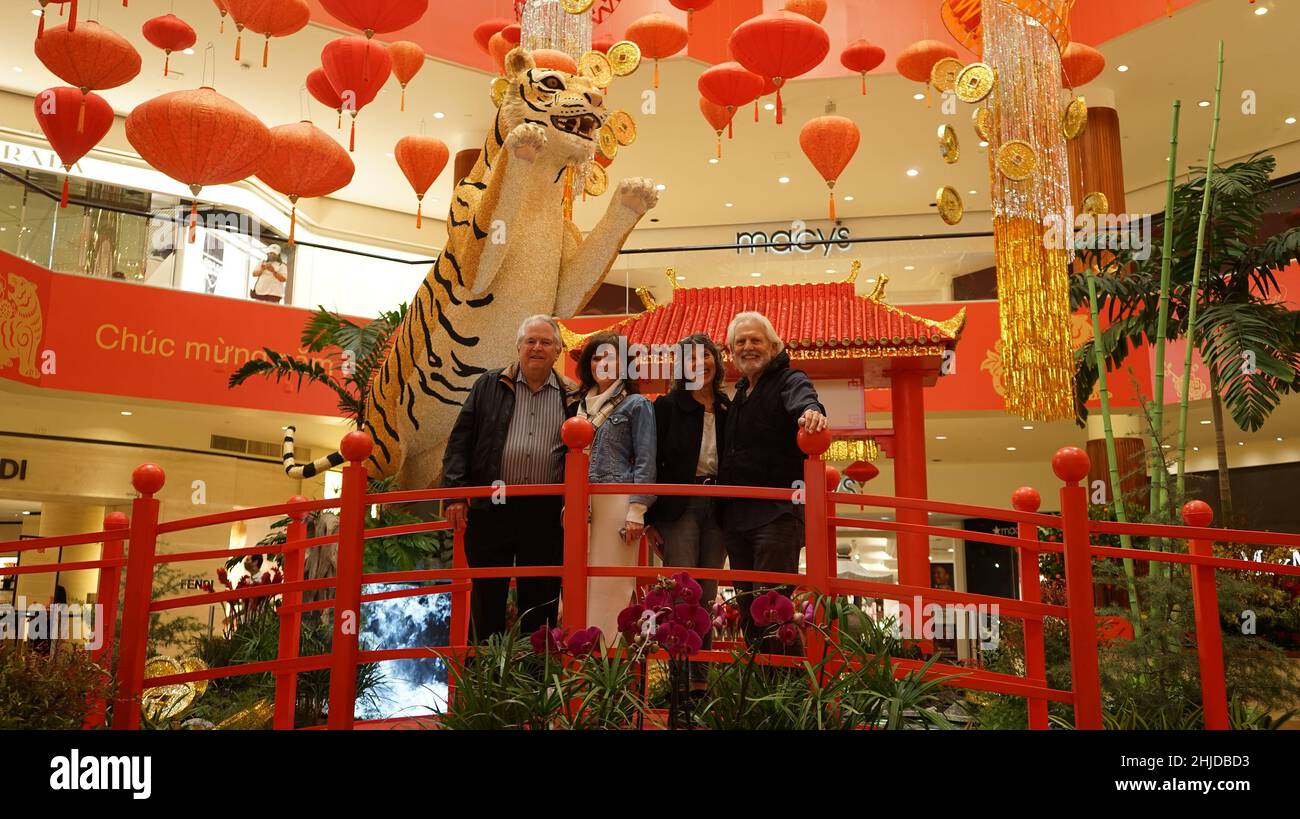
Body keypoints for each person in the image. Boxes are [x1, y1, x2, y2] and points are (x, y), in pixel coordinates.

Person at [442, 315, 576, 642]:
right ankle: (484, 686)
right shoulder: (489, 385)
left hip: (546, 513)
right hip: (492, 507)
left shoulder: (571, 395)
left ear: (558, 350)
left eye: (545, 342)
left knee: (541, 604)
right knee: (487, 600)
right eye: (530, 341)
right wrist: (456, 494)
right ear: (518, 347)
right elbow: (460, 440)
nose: (537, 348)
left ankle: (534, 685)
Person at [719, 311, 827, 653]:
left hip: (776, 514)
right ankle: (758, 693)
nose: (748, 347)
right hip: (738, 517)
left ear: (774, 345)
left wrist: (811, 412)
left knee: (773, 609)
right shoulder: (739, 392)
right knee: (750, 610)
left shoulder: (790, 379)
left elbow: (804, 399)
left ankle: (788, 696)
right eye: (741, 342)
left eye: (756, 340)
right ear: (732, 351)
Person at [646, 333, 729, 694]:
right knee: (682, 591)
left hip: (721, 504)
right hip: (679, 505)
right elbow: (649, 461)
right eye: (691, 359)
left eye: (706, 357)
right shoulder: (665, 407)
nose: (701, 364)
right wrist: (649, 518)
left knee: (707, 592)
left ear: (716, 361)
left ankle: (701, 678)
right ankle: (678, 676)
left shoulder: (728, 406)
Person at [575, 332, 656, 639]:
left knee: (612, 584)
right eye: (597, 357)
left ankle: (610, 666)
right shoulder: (580, 406)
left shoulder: (637, 404)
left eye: (611, 357)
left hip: (618, 502)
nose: (603, 363)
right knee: (580, 582)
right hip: (582, 503)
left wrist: (637, 510)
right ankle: (580, 663)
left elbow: (646, 460)